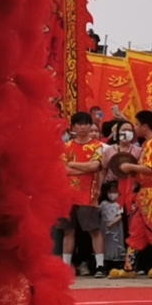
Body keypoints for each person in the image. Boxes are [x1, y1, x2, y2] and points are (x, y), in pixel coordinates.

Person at [118, 111, 152, 277]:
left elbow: (150, 169)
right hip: (145, 191)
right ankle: (128, 268)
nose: (135, 128)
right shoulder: (149, 143)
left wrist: (130, 167)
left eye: (136, 124)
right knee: (136, 230)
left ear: (145, 126)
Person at [60, 112, 106, 276]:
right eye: (79, 124)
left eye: (86, 123)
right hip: (67, 195)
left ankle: (100, 265)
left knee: (94, 230)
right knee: (68, 231)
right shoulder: (66, 146)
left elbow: (94, 166)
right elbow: (62, 170)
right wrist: (83, 168)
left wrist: (72, 165)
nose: (82, 127)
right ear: (73, 127)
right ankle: (66, 266)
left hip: (88, 193)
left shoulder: (97, 146)